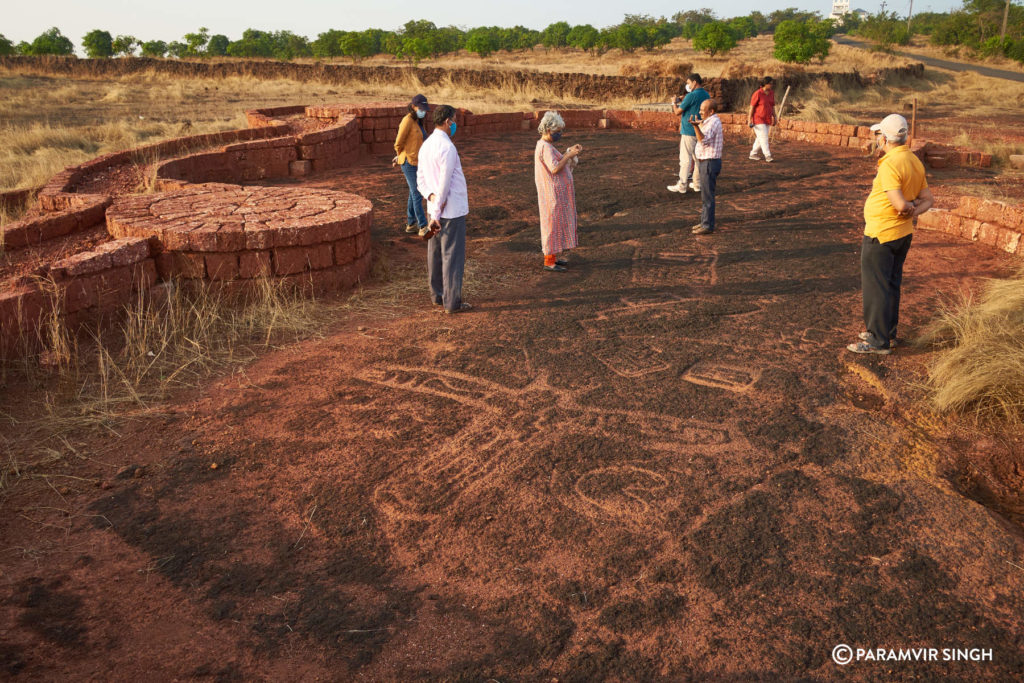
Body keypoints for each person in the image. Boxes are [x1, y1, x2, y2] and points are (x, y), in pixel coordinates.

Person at [848, 113, 933, 354]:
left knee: (876, 286)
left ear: (885, 138)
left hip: (882, 234)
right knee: (891, 284)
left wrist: (907, 208)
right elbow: (928, 199)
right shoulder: (914, 161)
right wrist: (915, 210)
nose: (877, 140)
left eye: (878, 136)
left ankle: (877, 340)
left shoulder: (890, 165)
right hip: (902, 234)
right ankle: (888, 333)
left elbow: (899, 204)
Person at [416, 104, 472, 314]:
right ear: (448, 121)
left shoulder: (427, 145)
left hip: (434, 209)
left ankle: (437, 295)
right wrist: (437, 212)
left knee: (436, 254)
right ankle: (452, 303)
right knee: (452, 256)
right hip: (449, 211)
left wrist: (431, 200)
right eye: (454, 120)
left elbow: (420, 179)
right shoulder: (447, 148)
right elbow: (445, 183)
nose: (455, 124)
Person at [534, 111, 582, 272]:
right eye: (557, 132)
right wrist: (568, 154)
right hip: (551, 194)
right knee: (551, 224)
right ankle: (549, 261)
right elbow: (554, 168)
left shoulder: (546, 146)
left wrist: (569, 153)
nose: (559, 134)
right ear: (548, 130)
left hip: (554, 193)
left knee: (555, 223)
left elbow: (557, 162)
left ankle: (553, 257)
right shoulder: (545, 147)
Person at [393, 94, 430, 235]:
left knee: (413, 192)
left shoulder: (418, 121)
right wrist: (399, 155)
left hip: (418, 162)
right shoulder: (407, 121)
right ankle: (422, 226)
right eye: (421, 108)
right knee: (417, 192)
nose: (423, 111)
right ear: (413, 107)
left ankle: (410, 223)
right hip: (408, 162)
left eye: (425, 109)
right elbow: (398, 143)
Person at [668, 73, 710, 194]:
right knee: (698, 158)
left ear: (694, 82)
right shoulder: (705, 94)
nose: (687, 85)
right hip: (700, 130)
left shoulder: (691, 95)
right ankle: (697, 184)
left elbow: (677, 112)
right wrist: (683, 99)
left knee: (685, 159)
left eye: (688, 83)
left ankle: (682, 185)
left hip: (688, 129)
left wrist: (673, 103)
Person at [690, 98, 723, 236]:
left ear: (711, 111)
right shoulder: (710, 121)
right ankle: (705, 221)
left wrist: (695, 126)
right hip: (707, 161)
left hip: (709, 162)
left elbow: (703, 140)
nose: (700, 112)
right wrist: (700, 123)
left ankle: (707, 225)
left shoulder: (713, 122)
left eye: (703, 111)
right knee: (705, 195)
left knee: (707, 196)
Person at [748, 76, 777, 163]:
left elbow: (772, 106)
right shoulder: (758, 93)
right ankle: (767, 155)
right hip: (758, 119)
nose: (772, 85)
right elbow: (752, 107)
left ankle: (753, 153)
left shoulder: (771, 93)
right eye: (770, 83)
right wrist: (749, 119)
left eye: (772, 83)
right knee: (764, 137)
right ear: (765, 84)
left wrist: (775, 116)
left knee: (761, 137)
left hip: (767, 118)